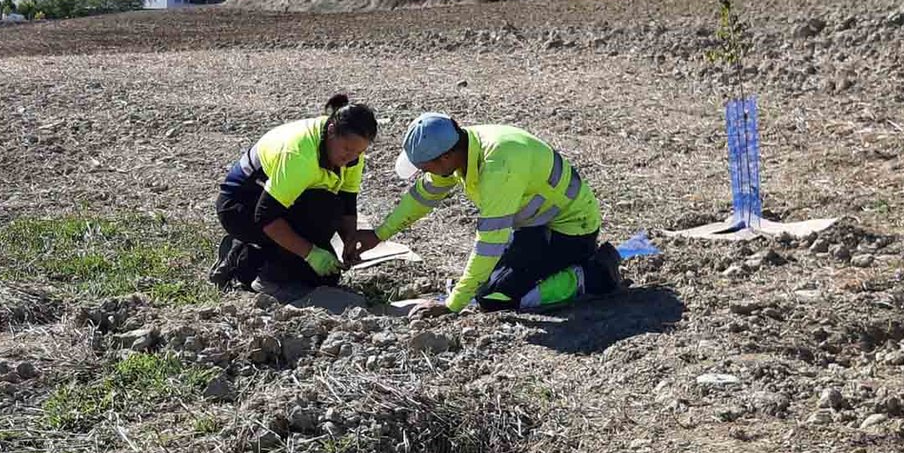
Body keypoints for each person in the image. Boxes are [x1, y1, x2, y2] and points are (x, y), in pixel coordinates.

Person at [357, 113, 620, 315]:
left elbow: (489, 243)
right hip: (535, 224)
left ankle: (594, 273)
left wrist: (451, 305)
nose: (426, 174)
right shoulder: (462, 149)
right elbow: (424, 195)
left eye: (426, 167)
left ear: (445, 158)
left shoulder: (498, 167)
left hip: (571, 231)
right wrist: (380, 234)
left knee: (496, 299)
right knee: (484, 286)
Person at [211, 94, 378, 298]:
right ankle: (268, 278)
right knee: (324, 208)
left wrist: (349, 241)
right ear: (332, 131)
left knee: (325, 277)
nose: (351, 157)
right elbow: (265, 215)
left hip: (280, 204)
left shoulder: (350, 154)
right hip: (241, 207)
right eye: (347, 150)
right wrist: (311, 254)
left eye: (358, 152)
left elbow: (347, 200)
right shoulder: (300, 155)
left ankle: (247, 257)